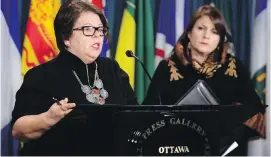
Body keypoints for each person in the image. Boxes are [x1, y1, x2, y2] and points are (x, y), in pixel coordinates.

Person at [11, 0, 138, 155]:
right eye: (88, 29)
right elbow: (18, 130)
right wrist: (47, 119)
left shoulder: (112, 69)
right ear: (66, 38)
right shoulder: (42, 75)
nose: (97, 36)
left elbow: (135, 116)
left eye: (100, 30)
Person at [143, 5, 265, 156]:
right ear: (189, 33)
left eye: (214, 32)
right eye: (201, 28)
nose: (206, 35)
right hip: (178, 150)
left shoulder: (234, 68)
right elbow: (147, 114)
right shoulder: (167, 67)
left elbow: (256, 114)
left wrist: (227, 140)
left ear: (220, 39)